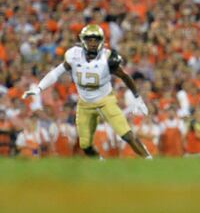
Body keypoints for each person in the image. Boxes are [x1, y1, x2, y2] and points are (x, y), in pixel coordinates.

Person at [22, 25, 152, 158]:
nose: (93, 43)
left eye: (96, 40)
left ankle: (149, 160)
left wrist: (137, 97)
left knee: (126, 134)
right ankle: (100, 166)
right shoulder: (73, 55)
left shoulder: (107, 58)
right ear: (83, 40)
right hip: (85, 103)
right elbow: (56, 73)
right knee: (85, 145)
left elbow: (125, 76)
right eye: (90, 40)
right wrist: (39, 88)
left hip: (105, 100)